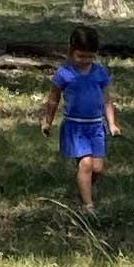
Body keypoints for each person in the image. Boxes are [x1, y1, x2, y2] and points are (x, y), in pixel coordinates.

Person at [50, 24, 115, 213]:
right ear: (71, 51)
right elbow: (53, 99)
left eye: (90, 56)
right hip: (75, 127)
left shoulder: (99, 73)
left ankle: (84, 185)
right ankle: (88, 205)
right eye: (81, 56)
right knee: (86, 163)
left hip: (96, 127)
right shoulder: (64, 74)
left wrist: (112, 123)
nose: (86, 61)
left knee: (97, 168)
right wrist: (47, 121)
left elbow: (106, 99)